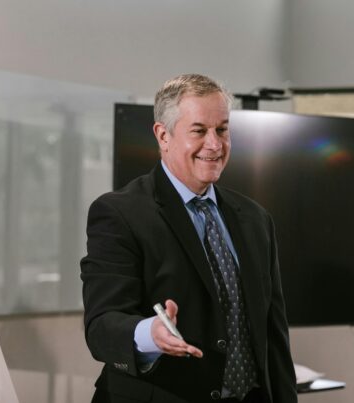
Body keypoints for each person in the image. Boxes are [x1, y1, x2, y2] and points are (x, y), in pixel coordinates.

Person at [81, 74, 298, 403]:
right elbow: (101, 327)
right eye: (199, 130)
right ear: (163, 135)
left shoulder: (255, 219)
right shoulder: (118, 214)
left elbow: (274, 338)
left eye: (222, 130)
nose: (215, 144)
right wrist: (150, 335)